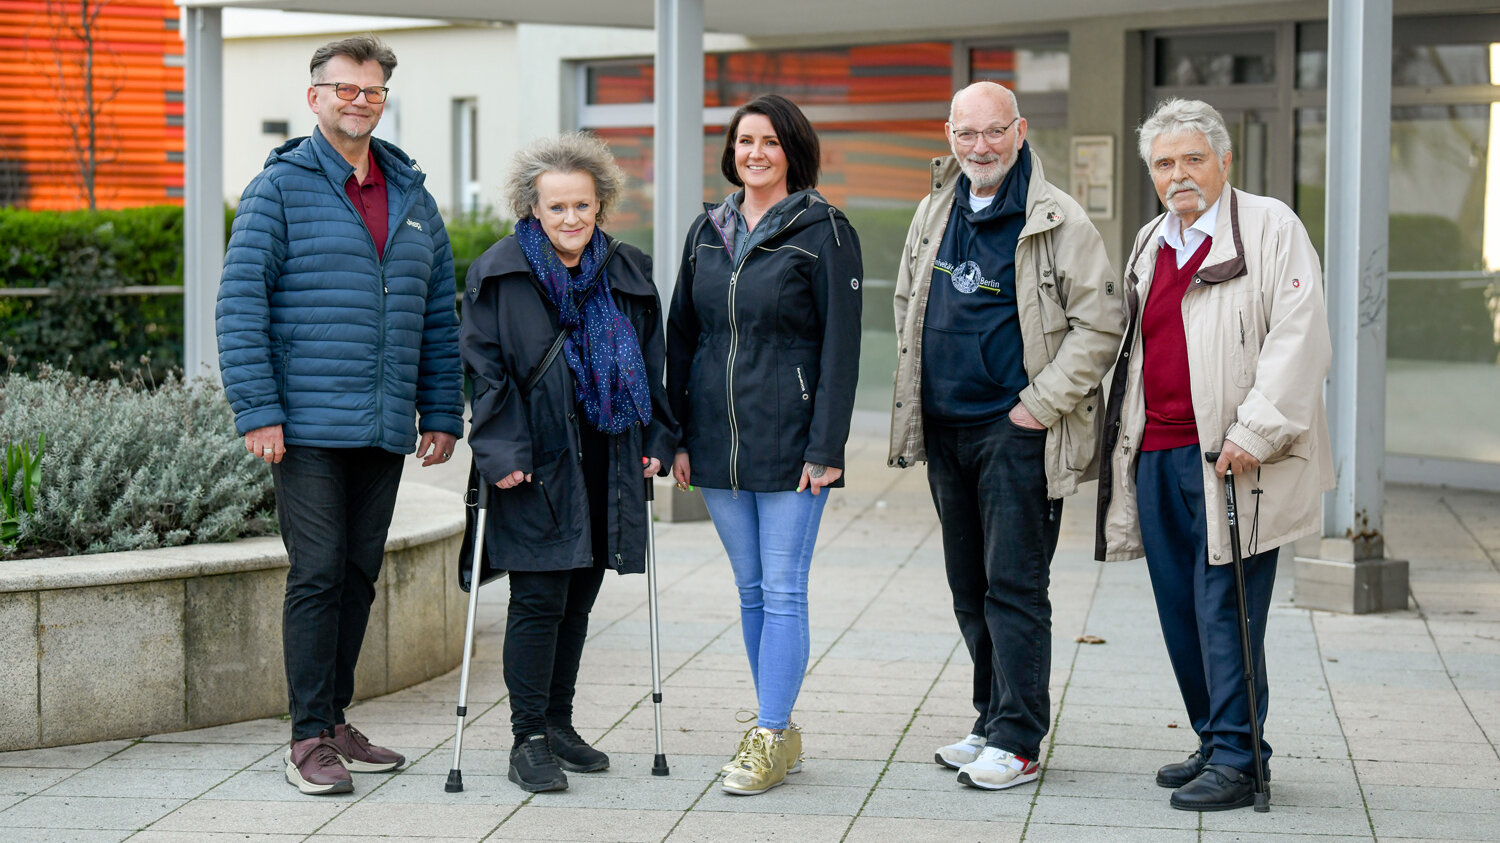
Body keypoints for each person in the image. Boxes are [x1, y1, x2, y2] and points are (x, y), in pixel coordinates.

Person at [216, 35, 463, 796]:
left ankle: (334, 718)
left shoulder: (413, 196)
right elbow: (240, 304)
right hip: (306, 425)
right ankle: (305, 739)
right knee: (318, 572)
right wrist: (259, 408)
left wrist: (443, 407)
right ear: (315, 95)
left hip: (383, 422)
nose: (360, 100)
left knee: (358, 574)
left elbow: (438, 318)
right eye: (345, 88)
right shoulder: (280, 188)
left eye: (373, 91)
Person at [1096, 98, 1332, 811]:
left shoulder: (1269, 227)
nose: (1179, 174)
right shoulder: (1149, 241)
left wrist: (1253, 432)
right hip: (1158, 454)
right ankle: (1216, 737)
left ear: (1224, 160)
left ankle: (1238, 756)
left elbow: (1300, 339)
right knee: (1180, 608)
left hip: (1233, 460)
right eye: (1164, 163)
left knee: (1225, 607)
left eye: (1193, 158)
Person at [888, 81, 1123, 791]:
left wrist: (1038, 405)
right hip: (947, 430)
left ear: (1019, 132)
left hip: (1015, 433)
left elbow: (1100, 325)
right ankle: (991, 717)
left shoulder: (1059, 219)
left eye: (993, 132)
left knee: (1015, 587)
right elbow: (907, 299)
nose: (980, 147)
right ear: (950, 135)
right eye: (966, 134)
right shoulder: (935, 210)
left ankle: (1019, 740)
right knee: (970, 586)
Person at [460, 132, 676, 794]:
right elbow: (484, 372)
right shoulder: (499, 272)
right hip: (534, 461)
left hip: (607, 456)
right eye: (557, 208)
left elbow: (652, 364)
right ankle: (526, 738)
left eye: (582, 205)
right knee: (538, 597)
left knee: (579, 597)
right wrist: (501, 451)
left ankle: (558, 721)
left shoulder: (629, 271)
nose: (571, 219)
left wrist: (658, 439)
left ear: (601, 203)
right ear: (532, 208)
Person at [666, 93, 863, 796]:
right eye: (745, 141)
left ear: (792, 152)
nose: (755, 153)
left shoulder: (825, 230)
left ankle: (770, 731)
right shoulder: (705, 231)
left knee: (783, 590)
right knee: (750, 589)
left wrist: (827, 445)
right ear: (732, 151)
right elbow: (681, 336)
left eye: (770, 142)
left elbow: (841, 349)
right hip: (715, 444)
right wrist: (676, 433)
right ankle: (774, 727)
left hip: (792, 444)